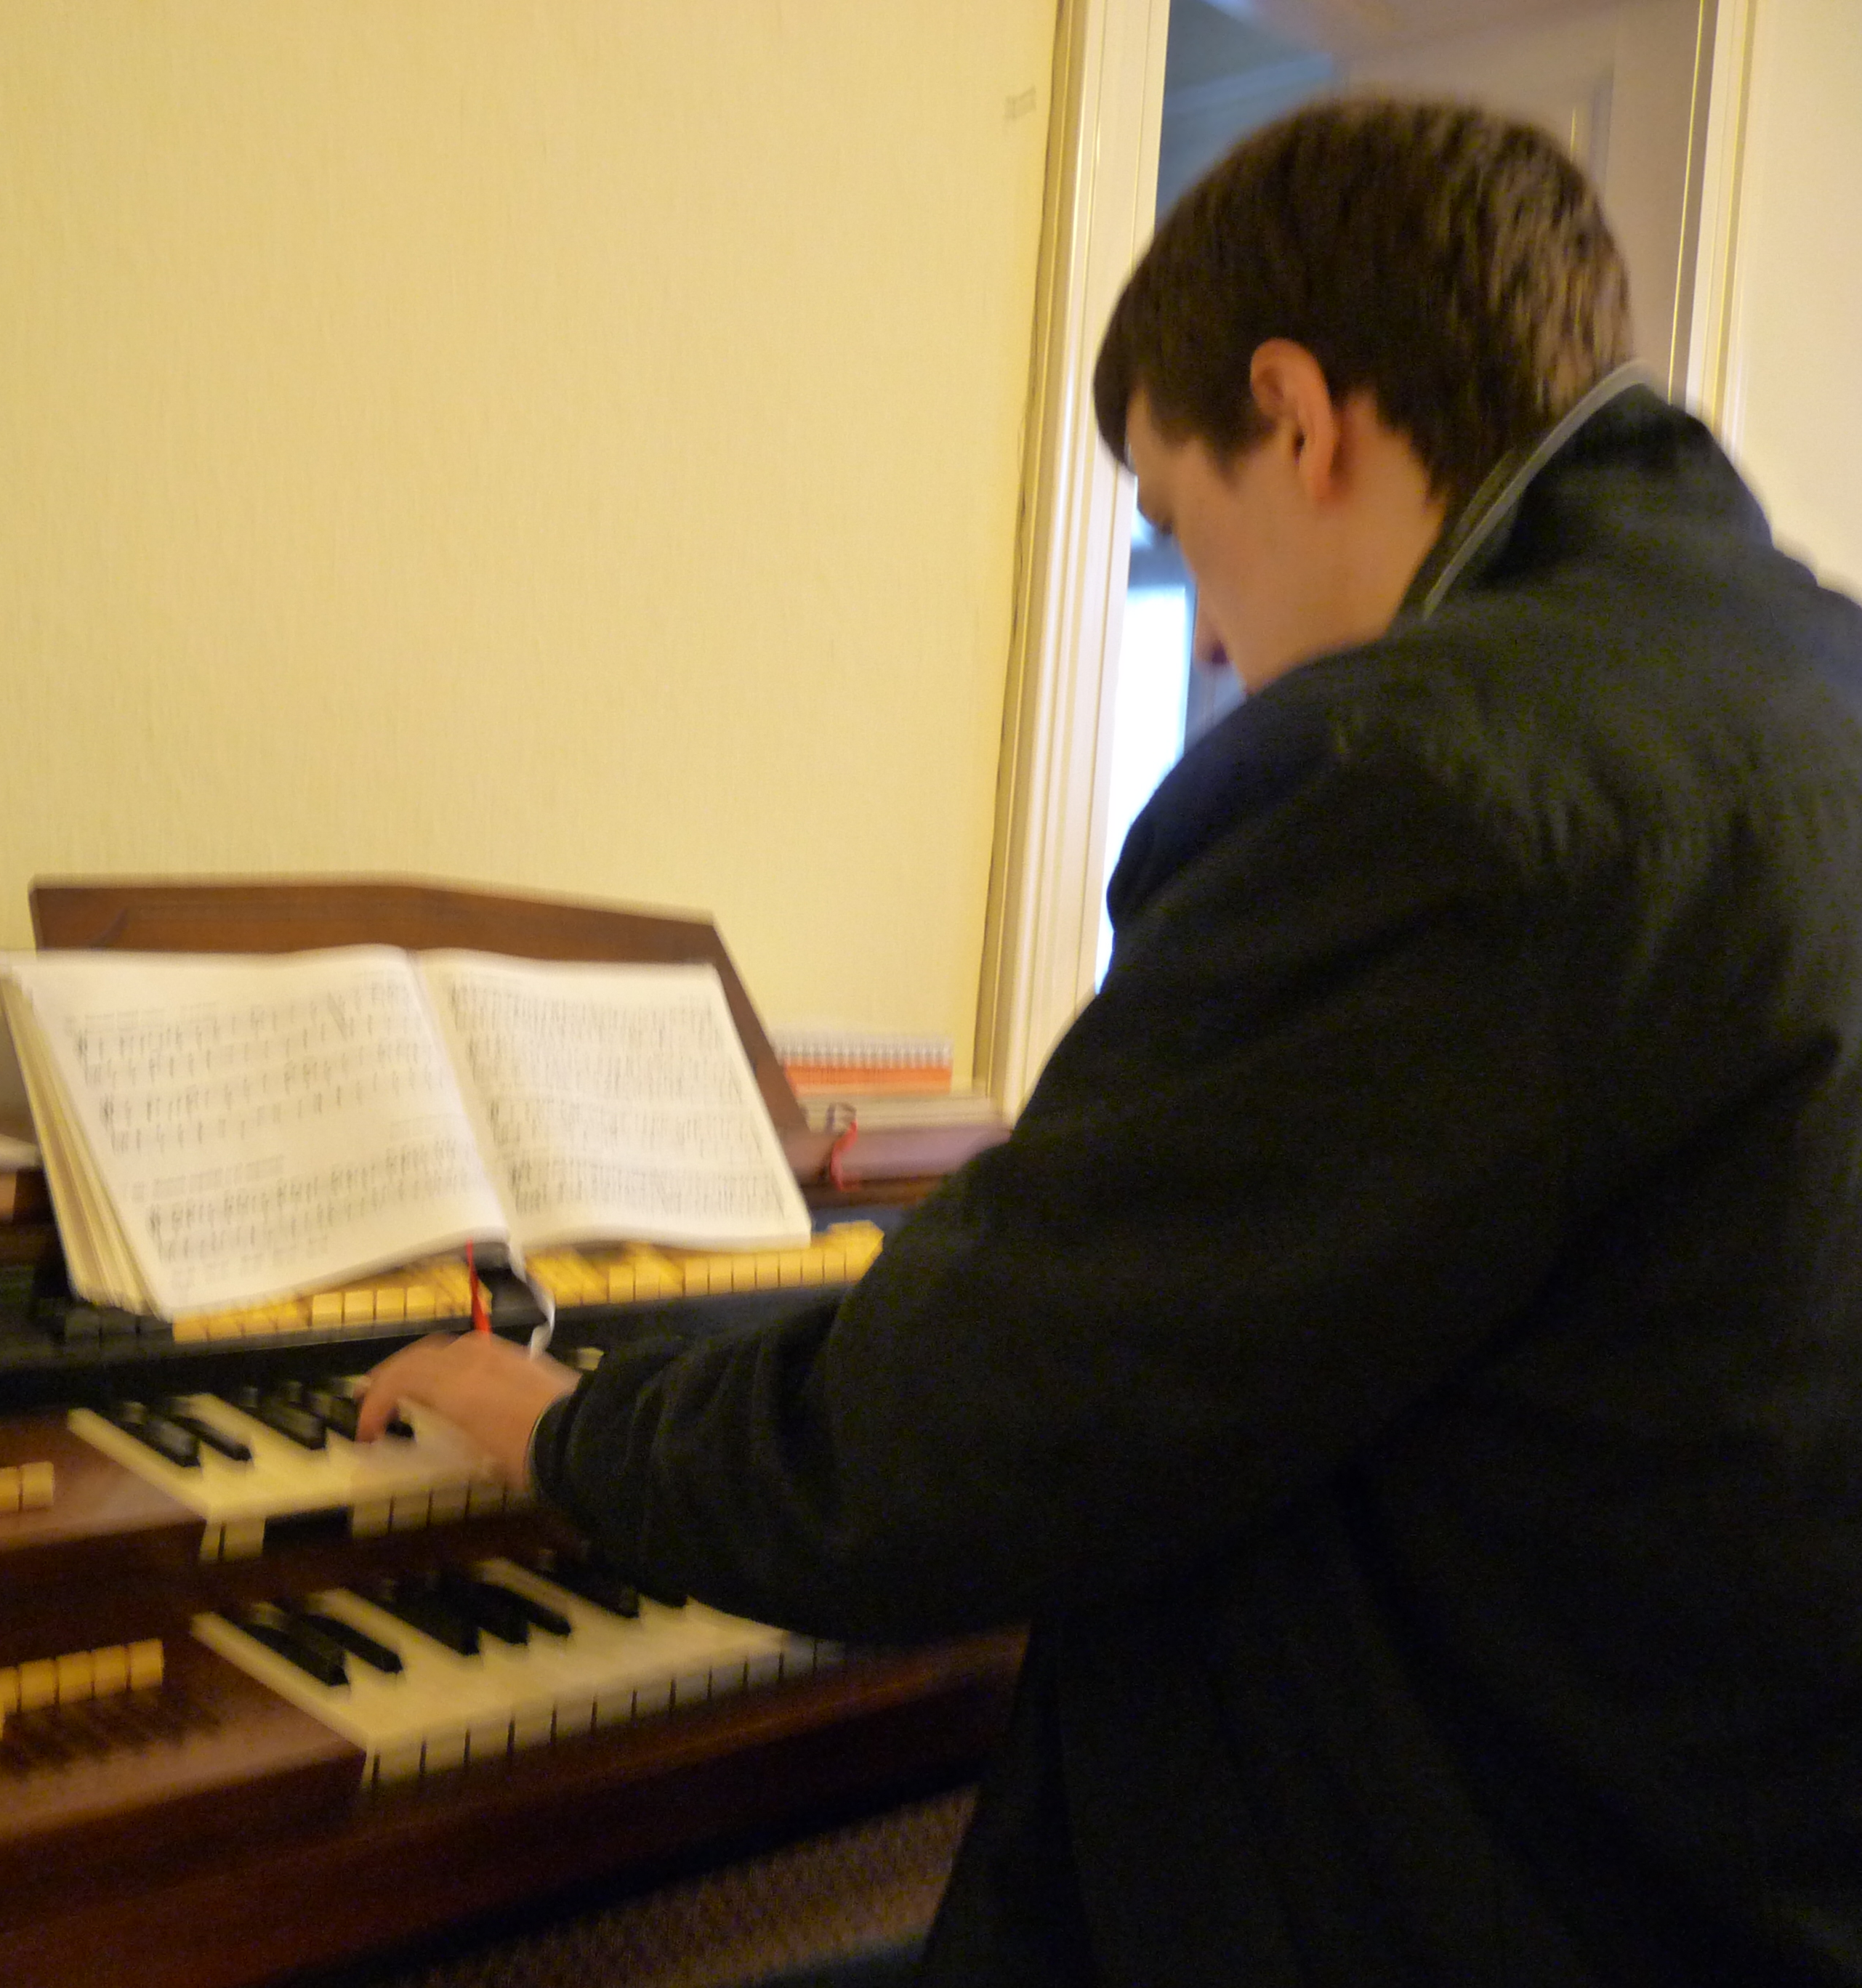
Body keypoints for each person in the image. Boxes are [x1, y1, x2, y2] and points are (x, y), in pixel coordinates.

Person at [360, 95, 1862, 1987]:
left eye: (1175, 525)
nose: (1213, 643)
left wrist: (572, 1426)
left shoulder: (1422, 776)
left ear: (1298, 418)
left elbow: (950, 1443)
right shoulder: (1809, 684)